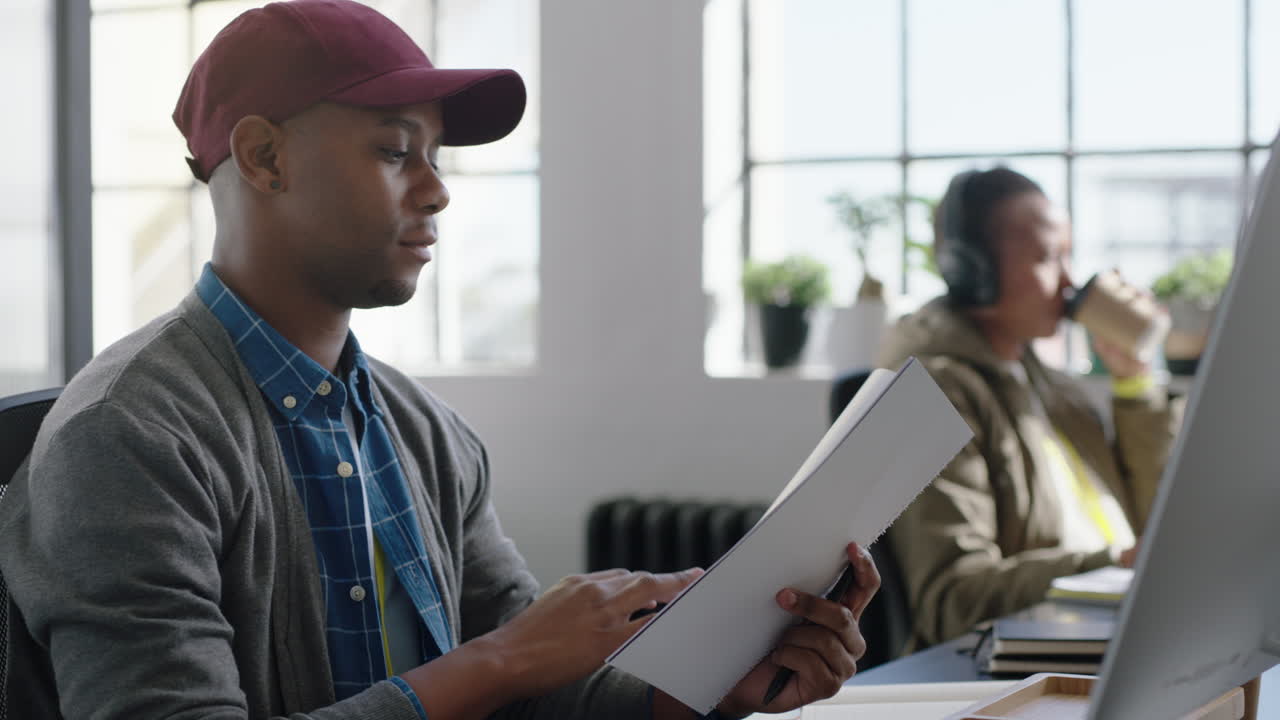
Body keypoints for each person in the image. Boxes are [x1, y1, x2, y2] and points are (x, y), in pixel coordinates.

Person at [0, 1, 879, 718]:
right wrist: (497, 662)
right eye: (394, 151)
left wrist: (709, 694)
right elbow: (506, 662)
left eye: (435, 155)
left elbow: (539, 683)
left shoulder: (430, 434)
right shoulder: (126, 436)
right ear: (264, 157)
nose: (438, 189)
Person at [876, 167, 1181, 651]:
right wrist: (1113, 564)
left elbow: (1159, 520)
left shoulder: (1053, 386)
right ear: (972, 271)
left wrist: (1134, 382)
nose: (1069, 281)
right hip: (1038, 652)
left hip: (1127, 626)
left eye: (1068, 255)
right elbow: (954, 599)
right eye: (1047, 257)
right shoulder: (936, 393)